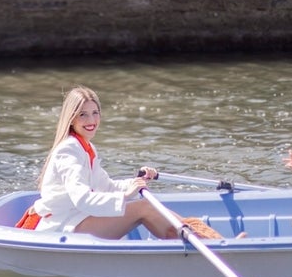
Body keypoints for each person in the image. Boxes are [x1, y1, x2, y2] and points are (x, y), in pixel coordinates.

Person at [25, 86, 224, 240]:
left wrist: (134, 182)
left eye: (95, 113)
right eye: (83, 114)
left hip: (79, 219)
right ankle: (203, 245)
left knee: (146, 205)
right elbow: (82, 199)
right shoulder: (69, 150)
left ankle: (209, 241)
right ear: (71, 119)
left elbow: (107, 186)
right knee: (145, 208)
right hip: (65, 227)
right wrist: (126, 196)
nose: (91, 120)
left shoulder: (87, 148)